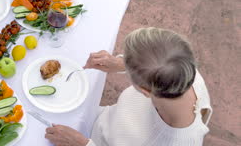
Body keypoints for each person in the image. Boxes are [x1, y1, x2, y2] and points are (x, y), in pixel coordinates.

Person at [45, 27, 212, 146]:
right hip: (104, 122)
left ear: (146, 91)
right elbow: (160, 62)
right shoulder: (184, 70)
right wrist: (120, 64)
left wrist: (83, 144)